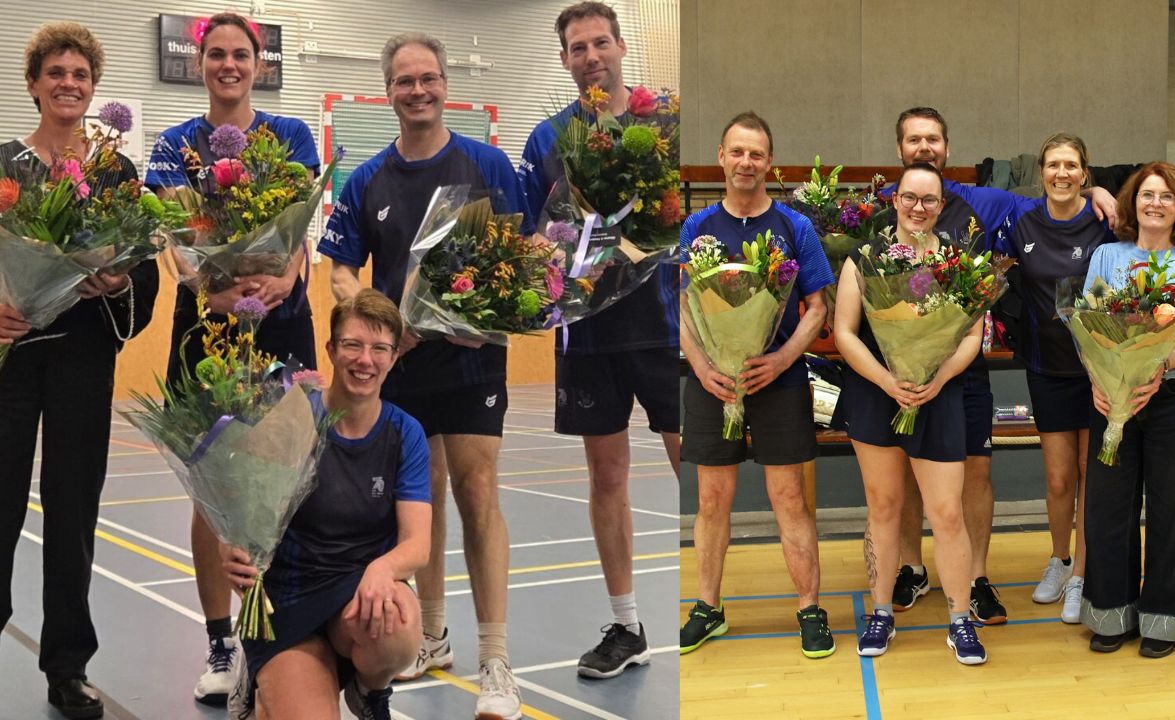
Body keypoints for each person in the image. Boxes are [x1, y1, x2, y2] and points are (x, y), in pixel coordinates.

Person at [318, 33, 525, 719]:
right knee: (419, 500)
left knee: (477, 491)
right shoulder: (366, 179)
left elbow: (524, 260)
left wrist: (487, 309)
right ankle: (432, 636)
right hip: (397, 362)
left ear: (444, 85)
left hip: (470, 358)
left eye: (429, 78)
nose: (419, 91)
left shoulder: (488, 164)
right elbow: (341, 264)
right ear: (388, 92)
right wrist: (364, 312)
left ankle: (495, 660)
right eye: (405, 81)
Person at [144, 11, 320, 706]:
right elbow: (175, 239)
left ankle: (281, 636)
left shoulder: (295, 136)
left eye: (239, 54)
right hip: (206, 326)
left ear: (257, 62)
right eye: (215, 54)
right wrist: (206, 290)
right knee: (211, 491)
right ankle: (223, 643)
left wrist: (287, 281)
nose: (227, 65)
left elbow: (301, 231)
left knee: (289, 483)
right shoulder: (174, 144)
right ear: (199, 63)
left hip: (283, 321)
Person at [887, 108, 1116, 626]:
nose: (924, 147)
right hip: (906, 371)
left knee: (991, 473)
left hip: (996, 369)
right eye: (914, 139)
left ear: (947, 146)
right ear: (900, 148)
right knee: (904, 472)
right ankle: (911, 568)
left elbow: (1051, 204)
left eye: (933, 139)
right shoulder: (884, 207)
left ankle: (988, 577)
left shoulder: (991, 203)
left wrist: (1104, 194)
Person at [0, 22, 159, 720]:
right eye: (56, 72)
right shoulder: (2, 166)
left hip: (80, 364)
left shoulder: (115, 174)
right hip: (7, 365)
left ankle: (67, 666)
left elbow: (143, 272)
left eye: (81, 74)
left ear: (94, 89)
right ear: (33, 83)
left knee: (74, 516)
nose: (69, 83)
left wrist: (118, 286)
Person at [518, 0, 679, 678]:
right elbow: (531, 236)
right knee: (606, 477)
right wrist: (562, 258)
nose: (590, 56)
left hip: (667, 326)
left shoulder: (665, 121)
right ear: (564, 60)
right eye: (577, 47)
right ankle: (626, 624)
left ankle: (708, 596)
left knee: (689, 460)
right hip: (586, 333)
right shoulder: (546, 138)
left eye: (600, 43)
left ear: (620, 48)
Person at [221, 289, 431, 720]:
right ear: (332, 350)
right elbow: (237, 503)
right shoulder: (293, 418)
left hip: (358, 599)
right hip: (289, 601)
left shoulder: (404, 434)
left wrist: (383, 569)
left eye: (379, 349)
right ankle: (262, 674)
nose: (365, 360)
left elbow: (417, 546)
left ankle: (370, 693)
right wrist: (234, 544)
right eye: (352, 345)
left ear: (393, 358)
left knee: (400, 621)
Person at [678, 111, 835, 659]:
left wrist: (783, 358)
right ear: (721, 157)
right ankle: (708, 608)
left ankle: (810, 609)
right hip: (712, 382)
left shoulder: (796, 227)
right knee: (711, 499)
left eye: (757, 154)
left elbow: (818, 306)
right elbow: (684, 308)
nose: (746, 162)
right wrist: (701, 368)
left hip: (778, 379)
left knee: (789, 497)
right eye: (737, 152)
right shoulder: (696, 228)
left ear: (771, 163)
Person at [834, 162, 987, 665]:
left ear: (942, 206)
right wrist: (886, 380)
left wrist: (937, 380)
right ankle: (881, 613)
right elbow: (845, 333)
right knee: (883, 509)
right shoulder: (865, 259)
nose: (918, 208)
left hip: (938, 395)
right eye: (909, 198)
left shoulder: (960, 263)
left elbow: (970, 335)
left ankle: (961, 620)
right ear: (894, 200)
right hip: (878, 394)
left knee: (946, 513)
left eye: (929, 200)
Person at [1081, 162, 1175, 658]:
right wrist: (1100, 378)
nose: (1155, 203)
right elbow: (1086, 325)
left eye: (1166, 197)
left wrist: (1154, 370)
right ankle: (1111, 612)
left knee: (1172, 505)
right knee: (1109, 504)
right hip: (1111, 395)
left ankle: (1167, 617)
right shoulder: (1106, 255)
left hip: (1173, 397)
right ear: (1132, 204)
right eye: (1146, 195)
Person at [995, 133, 1117, 623]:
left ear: (1085, 173)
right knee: (1058, 475)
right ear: (1041, 172)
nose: (1061, 173)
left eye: (1071, 165)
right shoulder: (1022, 221)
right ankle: (1059, 559)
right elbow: (998, 272)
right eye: (1052, 164)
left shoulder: (1104, 222)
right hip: (1046, 367)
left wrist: (1101, 195)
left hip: (1097, 370)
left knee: (1091, 474)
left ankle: (1082, 575)